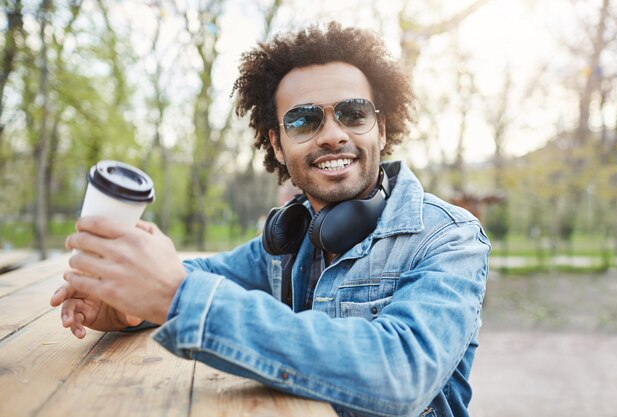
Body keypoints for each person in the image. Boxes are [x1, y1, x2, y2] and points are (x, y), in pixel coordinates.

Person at [50, 22, 491, 417]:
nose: (334, 134)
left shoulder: (450, 237)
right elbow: (196, 276)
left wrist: (175, 297)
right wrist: (128, 306)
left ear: (380, 126)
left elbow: (402, 374)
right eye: (303, 120)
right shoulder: (289, 238)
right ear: (277, 145)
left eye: (353, 114)